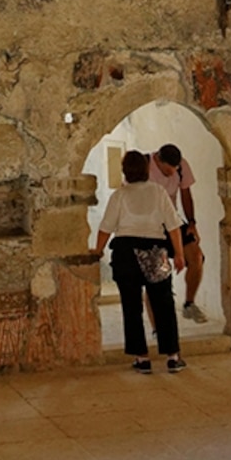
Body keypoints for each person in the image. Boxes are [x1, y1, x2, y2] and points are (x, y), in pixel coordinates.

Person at [95, 150, 187, 374]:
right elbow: (173, 226)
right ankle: (173, 356)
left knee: (131, 306)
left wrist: (97, 251)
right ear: (146, 169)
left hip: (125, 253)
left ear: (125, 171)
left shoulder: (120, 195)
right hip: (156, 252)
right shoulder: (158, 192)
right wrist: (179, 254)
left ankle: (141, 358)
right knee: (164, 304)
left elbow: (106, 228)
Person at [152, 142, 209, 326]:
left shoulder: (182, 166)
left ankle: (189, 304)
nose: (173, 172)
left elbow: (185, 194)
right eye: (169, 169)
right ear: (158, 161)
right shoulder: (145, 166)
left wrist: (192, 223)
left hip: (173, 222)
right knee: (157, 271)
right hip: (151, 226)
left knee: (196, 256)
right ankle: (158, 325)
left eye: (176, 168)